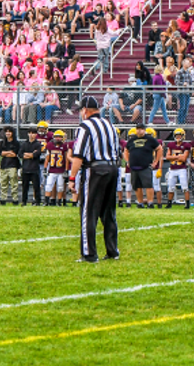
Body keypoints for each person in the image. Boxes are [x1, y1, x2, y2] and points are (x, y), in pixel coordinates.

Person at [69, 96, 121, 263]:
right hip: (113, 168)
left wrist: (72, 178)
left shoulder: (85, 126)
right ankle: (113, 251)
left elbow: (78, 156)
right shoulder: (110, 125)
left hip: (95, 169)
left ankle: (89, 253)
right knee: (109, 213)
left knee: (88, 212)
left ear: (85, 110)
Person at [124, 124, 161, 208]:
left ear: (144, 130)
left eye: (141, 129)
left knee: (148, 185)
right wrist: (127, 161)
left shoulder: (150, 139)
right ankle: (140, 202)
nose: (139, 131)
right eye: (137, 129)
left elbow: (159, 149)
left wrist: (156, 161)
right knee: (137, 186)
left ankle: (150, 202)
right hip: (134, 166)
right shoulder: (132, 140)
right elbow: (126, 150)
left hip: (145, 166)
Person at [44, 130, 70, 206]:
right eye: (56, 136)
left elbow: (66, 158)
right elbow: (47, 158)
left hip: (61, 170)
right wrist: (45, 168)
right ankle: (46, 202)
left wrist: (66, 169)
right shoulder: (50, 145)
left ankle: (59, 202)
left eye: (60, 137)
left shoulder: (65, 146)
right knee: (48, 185)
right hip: (52, 170)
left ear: (63, 138)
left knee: (60, 187)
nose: (58, 138)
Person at [0, 127, 21, 205]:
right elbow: (0, 153)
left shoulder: (16, 143)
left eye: (9, 132)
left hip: (13, 165)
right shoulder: (3, 142)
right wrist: (9, 152)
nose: (8, 133)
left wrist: (5, 153)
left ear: (12, 133)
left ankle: (15, 199)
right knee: (3, 183)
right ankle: (3, 199)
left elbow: (14, 154)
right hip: (4, 165)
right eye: (6, 132)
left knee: (14, 183)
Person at [20, 128, 43, 206]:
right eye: (29, 133)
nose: (31, 134)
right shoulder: (24, 144)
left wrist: (27, 154)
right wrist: (31, 155)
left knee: (36, 187)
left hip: (34, 169)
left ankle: (37, 201)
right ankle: (24, 201)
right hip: (25, 168)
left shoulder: (38, 144)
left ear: (36, 134)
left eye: (33, 133)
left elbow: (37, 154)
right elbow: (20, 154)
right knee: (24, 187)